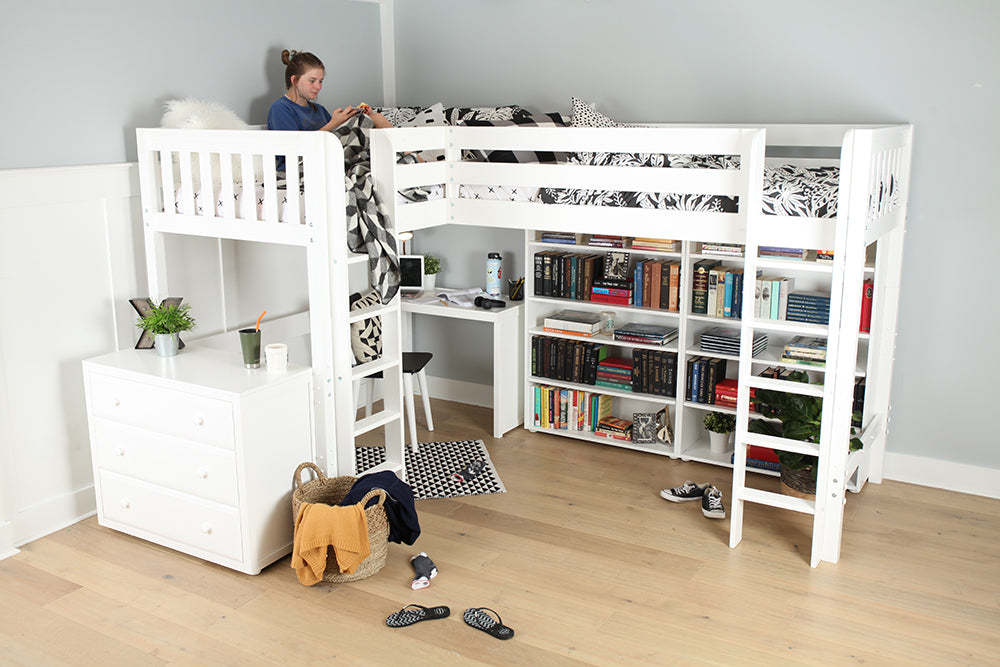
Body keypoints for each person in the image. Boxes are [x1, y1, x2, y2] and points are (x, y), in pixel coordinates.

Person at [267, 49, 391, 168]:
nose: (318, 87)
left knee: (373, 118)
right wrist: (334, 123)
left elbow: (335, 139)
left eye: (320, 81)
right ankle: (402, 154)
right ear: (294, 80)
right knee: (367, 121)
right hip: (300, 166)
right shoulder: (281, 109)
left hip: (328, 160)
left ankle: (400, 153)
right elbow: (295, 150)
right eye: (312, 81)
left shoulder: (319, 110)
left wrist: (346, 119)